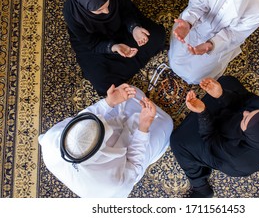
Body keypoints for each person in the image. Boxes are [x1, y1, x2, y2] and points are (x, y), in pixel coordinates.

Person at [39, 83, 173, 198]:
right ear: (100, 148)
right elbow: (134, 164)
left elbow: (84, 117)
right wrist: (143, 127)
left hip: (102, 129)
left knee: (130, 91)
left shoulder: (52, 137)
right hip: (125, 164)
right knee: (166, 123)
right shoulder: (111, 186)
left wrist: (109, 102)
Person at [170, 76, 259, 198]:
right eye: (252, 112)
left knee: (179, 141)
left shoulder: (237, 159)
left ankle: (201, 188)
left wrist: (202, 113)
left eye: (245, 118)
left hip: (222, 151)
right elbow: (245, 101)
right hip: (239, 128)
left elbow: (210, 140)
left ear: (247, 135)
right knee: (226, 82)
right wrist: (221, 94)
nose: (245, 112)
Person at [63, 0, 166, 96]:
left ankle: (124, 64)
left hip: (121, 28)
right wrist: (113, 47)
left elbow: (127, 11)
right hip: (97, 44)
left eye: (107, 4)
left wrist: (134, 28)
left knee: (157, 36)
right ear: (84, 7)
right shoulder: (71, 13)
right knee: (104, 85)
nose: (106, 12)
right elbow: (91, 43)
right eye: (99, 10)